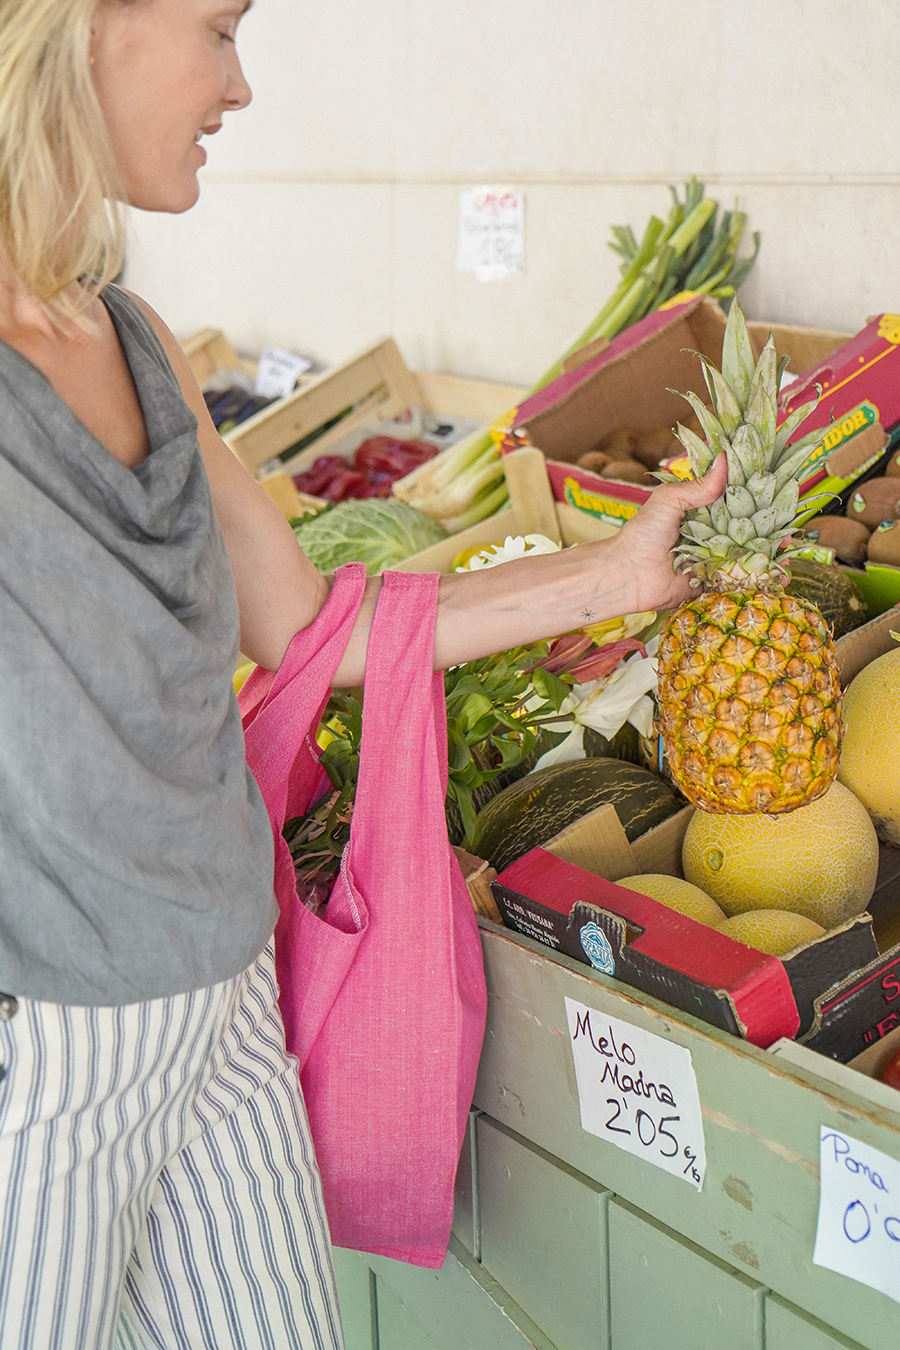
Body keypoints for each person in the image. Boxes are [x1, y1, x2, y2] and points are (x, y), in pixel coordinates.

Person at [0, 1, 727, 1346]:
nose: (241, 86)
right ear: (80, 25)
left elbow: (321, 620)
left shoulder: (141, 345)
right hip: (40, 1054)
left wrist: (617, 576)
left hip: (226, 1009)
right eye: (218, 30)